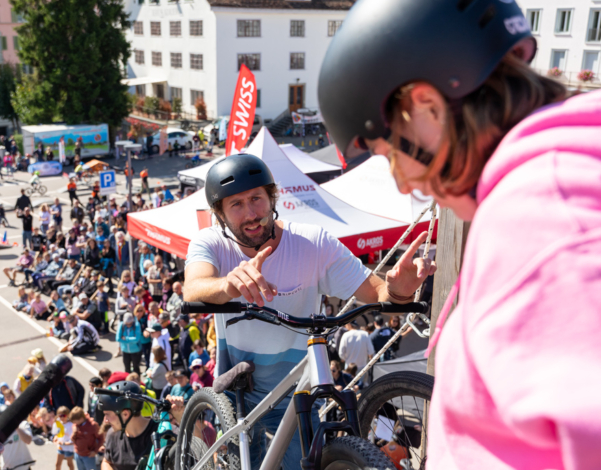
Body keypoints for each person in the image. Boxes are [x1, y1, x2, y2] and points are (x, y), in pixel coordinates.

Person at [318, 0, 601, 465]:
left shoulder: (547, 222)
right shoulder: (556, 182)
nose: (403, 183)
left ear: (426, 107)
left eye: (389, 155)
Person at [183, 154, 433, 469]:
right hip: (239, 394)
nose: (251, 214)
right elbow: (192, 288)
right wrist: (227, 285)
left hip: (295, 391)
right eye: (236, 205)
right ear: (219, 214)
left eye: (257, 198)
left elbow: (378, 293)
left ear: (272, 197)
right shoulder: (211, 243)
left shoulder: (312, 243)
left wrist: (399, 288)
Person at [98, 381, 183, 470]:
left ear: (125, 414)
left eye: (107, 414)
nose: (105, 420)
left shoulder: (164, 433)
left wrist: (180, 416)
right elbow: (107, 461)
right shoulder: (112, 435)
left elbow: (196, 447)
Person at [0, 405, 35, 470]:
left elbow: (28, 440)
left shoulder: (23, 425)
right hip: (8, 468)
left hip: (24, 467)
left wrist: (16, 427)